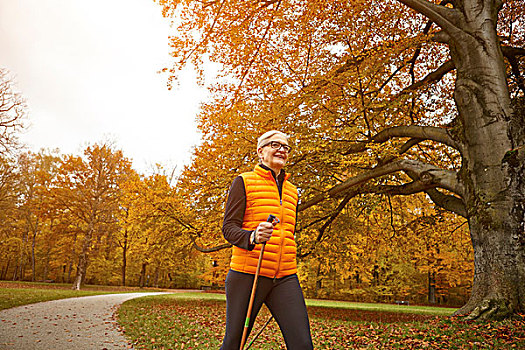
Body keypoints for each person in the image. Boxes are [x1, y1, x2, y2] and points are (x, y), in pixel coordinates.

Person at [220, 130, 313, 350]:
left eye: (285, 147)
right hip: (248, 275)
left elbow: (288, 232)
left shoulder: (292, 191)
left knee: (302, 345)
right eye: (275, 145)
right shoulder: (244, 181)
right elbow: (228, 228)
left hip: (285, 277)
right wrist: (252, 236)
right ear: (261, 152)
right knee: (234, 343)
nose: (281, 149)